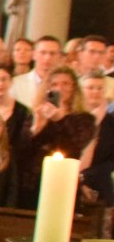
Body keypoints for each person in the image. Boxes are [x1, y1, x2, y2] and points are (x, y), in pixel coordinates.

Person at [16, 66, 97, 209]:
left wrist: (59, 119)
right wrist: (37, 127)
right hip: (32, 180)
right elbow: (22, 149)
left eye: (65, 84)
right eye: (54, 84)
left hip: (62, 181)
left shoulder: (84, 118)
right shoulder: (36, 114)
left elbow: (76, 145)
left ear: (74, 88)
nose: (60, 88)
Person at [11, 35, 58, 106]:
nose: (47, 57)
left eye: (52, 53)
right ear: (34, 55)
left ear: (59, 56)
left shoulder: (65, 85)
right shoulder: (16, 83)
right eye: (43, 53)